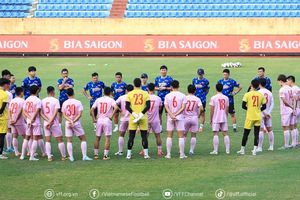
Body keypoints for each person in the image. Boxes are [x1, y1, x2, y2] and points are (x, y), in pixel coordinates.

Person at [61, 88, 92, 161]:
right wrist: (73, 121)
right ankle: (84, 156)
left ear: (66, 94)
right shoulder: (78, 102)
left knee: (69, 140)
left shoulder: (65, 103)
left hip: (68, 123)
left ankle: (71, 157)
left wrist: (70, 120)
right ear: (73, 93)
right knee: (83, 139)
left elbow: (64, 115)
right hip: (76, 123)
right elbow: (80, 114)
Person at [237, 79, 266, 156]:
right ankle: (254, 150)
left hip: (250, 116)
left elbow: (243, 106)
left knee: (246, 133)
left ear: (251, 85)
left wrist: (249, 109)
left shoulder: (247, 94)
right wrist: (258, 110)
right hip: (258, 116)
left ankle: (242, 150)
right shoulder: (261, 95)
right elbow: (264, 106)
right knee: (256, 134)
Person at [125, 78, 151, 159]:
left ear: (133, 84)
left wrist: (134, 114)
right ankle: (146, 154)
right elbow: (148, 106)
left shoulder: (130, 94)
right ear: (140, 84)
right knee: (144, 136)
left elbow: (127, 106)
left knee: (131, 136)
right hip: (143, 117)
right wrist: (141, 114)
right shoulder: (145, 93)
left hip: (133, 117)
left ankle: (128, 154)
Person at [91, 87, 118, 160]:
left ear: (103, 92)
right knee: (107, 138)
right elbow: (116, 108)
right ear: (110, 93)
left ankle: (96, 155)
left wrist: (94, 119)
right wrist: (111, 116)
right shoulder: (111, 100)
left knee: (97, 137)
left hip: (99, 119)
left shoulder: (98, 99)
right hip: (107, 120)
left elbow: (92, 109)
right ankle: (105, 156)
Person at [41, 86, 66, 162]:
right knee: (59, 140)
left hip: (46, 122)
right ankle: (63, 156)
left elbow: (41, 113)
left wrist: (47, 121)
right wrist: (51, 121)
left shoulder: (43, 100)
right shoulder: (55, 100)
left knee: (48, 140)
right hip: (54, 123)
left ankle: (49, 157)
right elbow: (55, 113)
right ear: (52, 92)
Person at [164, 80, 187, 159]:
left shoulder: (167, 95)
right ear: (178, 86)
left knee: (169, 136)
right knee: (181, 136)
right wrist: (176, 114)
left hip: (170, 117)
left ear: (171, 87)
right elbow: (183, 107)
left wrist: (171, 114)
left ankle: (168, 154)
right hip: (179, 117)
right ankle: (182, 154)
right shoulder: (183, 95)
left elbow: (166, 107)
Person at [21, 85, 45, 161]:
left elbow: (23, 111)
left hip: (28, 121)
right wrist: (32, 118)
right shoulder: (38, 100)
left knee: (26, 138)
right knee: (35, 139)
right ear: (37, 91)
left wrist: (29, 118)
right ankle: (32, 156)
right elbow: (37, 111)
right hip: (35, 121)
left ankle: (22, 155)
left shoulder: (27, 99)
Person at [209, 83, 230, 155]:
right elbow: (227, 109)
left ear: (216, 88)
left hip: (216, 117)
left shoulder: (213, 98)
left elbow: (212, 109)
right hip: (223, 117)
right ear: (222, 89)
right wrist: (226, 117)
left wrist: (211, 119)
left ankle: (215, 150)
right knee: (225, 133)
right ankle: (227, 150)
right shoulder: (226, 98)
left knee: (215, 133)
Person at [114, 84, 134, 156]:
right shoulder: (134, 97)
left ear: (126, 90)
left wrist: (120, 110)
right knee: (130, 135)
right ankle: (130, 151)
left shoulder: (122, 97)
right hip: (132, 118)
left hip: (123, 118)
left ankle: (120, 151)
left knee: (121, 135)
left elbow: (114, 104)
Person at [184, 84, 203, 155]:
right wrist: (199, 115)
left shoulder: (185, 98)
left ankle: (181, 150)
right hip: (194, 118)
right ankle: (191, 150)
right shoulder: (197, 99)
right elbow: (201, 108)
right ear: (195, 91)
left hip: (185, 118)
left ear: (187, 90)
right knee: (193, 135)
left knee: (184, 134)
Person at [277, 74, 295, 149]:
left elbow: (284, 101)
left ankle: (286, 145)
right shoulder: (290, 88)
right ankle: (293, 143)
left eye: (278, 82)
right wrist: (293, 107)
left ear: (281, 81)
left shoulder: (282, 89)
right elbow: (293, 98)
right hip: (291, 110)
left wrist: (290, 106)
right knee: (292, 127)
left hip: (285, 110)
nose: (278, 83)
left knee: (285, 127)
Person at [146, 83, 164, 156]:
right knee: (158, 136)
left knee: (145, 136)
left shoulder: (145, 97)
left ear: (147, 89)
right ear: (154, 89)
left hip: (146, 119)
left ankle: (144, 150)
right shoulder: (158, 98)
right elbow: (160, 108)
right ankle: (159, 150)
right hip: (155, 120)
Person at [257, 78, 275, 152]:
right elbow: (272, 103)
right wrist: (268, 113)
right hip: (268, 113)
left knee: (260, 130)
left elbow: (259, 104)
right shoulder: (269, 92)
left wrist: (264, 113)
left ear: (259, 84)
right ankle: (271, 146)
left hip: (261, 113)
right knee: (270, 129)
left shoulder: (258, 92)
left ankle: (260, 147)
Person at [9, 87, 26, 157]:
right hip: (19, 121)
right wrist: (16, 119)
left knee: (14, 136)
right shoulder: (22, 101)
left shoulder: (12, 100)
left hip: (12, 120)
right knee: (25, 137)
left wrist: (11, 119)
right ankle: (28, 152)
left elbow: (9, 110)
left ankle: (16, 152)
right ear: (21, 92)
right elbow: (20, 111)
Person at [192, 68, 209, 132]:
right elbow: (193, 88)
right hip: (195, 99)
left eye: (201, 74)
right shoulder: (194, 80)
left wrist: (204, 95)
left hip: (202, 99)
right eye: (199, 74)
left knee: (202, 113)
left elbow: (207, 89)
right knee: (194, 112)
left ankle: (201, 126)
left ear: (203, 74)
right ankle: (194, 125)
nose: (200, 75)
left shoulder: (206, 81)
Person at [287, 76, 299, 146]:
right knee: (295, 126)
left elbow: (295, 99)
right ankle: (296, 142)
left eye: (287, 81)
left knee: (293, 126)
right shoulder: (297, 88)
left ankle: (293, 143)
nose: (287, 82)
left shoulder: (294, 89)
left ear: (291, 80)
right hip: (298, 108)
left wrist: (294, 109)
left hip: (296, 108)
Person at [0, 78, 10, 159]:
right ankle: (0, 153)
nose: (9, 86)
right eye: (8, 84)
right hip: (3, 118)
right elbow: (3, 107)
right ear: (5, 84)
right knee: (2, 135)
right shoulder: (5, 94)